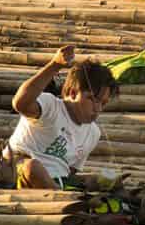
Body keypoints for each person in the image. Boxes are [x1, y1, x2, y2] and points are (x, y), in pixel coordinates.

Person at [7, 45, 119, 190]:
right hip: (17, 171)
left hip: (58, 181)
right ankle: (65, 198)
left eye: (103, 103)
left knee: (108, 180)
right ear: (73, 93)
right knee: (33, 168)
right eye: (92, 99)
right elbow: (20, 104)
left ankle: (65, 196)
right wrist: (54, 66)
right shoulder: (50, 105)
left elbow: (70, 173)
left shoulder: (93, 133)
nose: (98, 109)